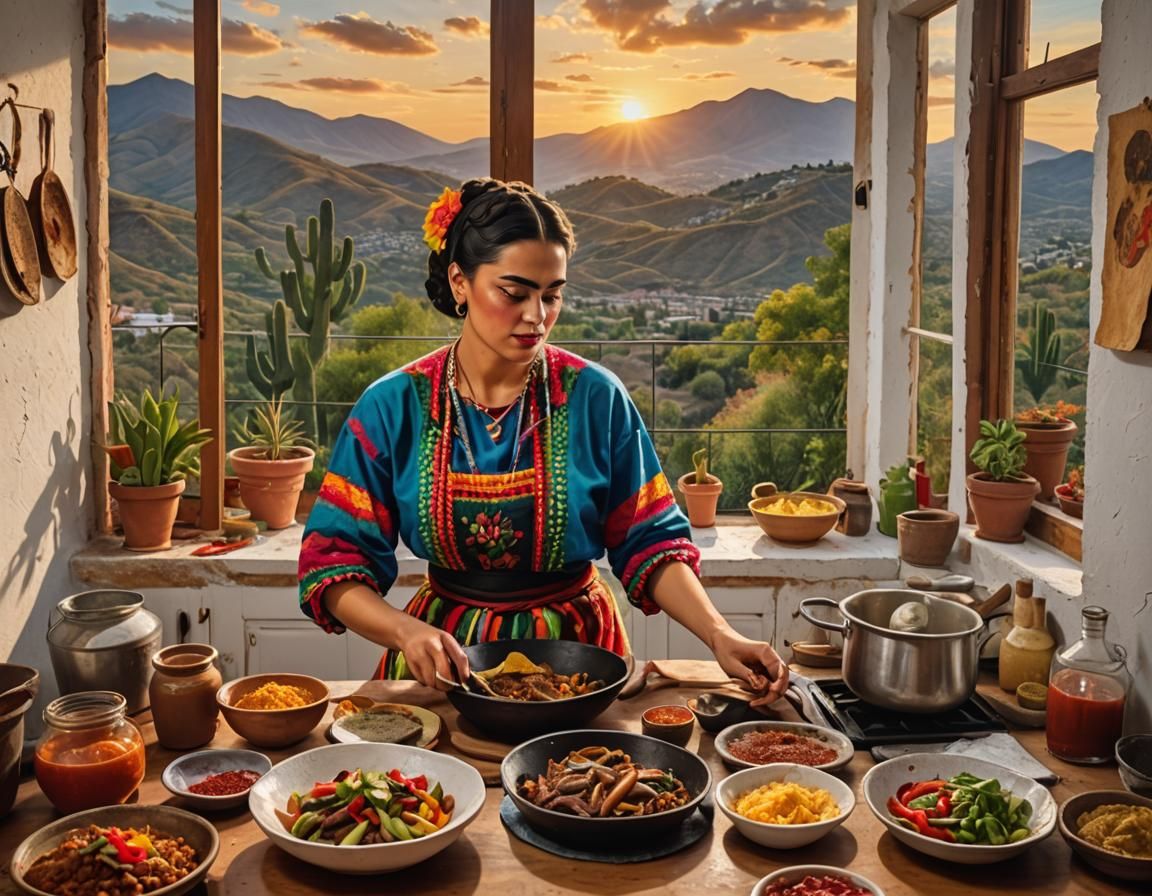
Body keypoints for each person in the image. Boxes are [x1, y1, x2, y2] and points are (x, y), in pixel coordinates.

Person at [298, 178, 789, 707]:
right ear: (460, 283)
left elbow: (650, 541)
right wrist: (403, 631)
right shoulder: (392, 406)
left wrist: (720, 634)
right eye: (514, 293)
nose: (537, 316)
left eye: (551, 294)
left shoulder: (596, 397)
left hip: (579, 659)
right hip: (444, 662)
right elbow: (333, 561)